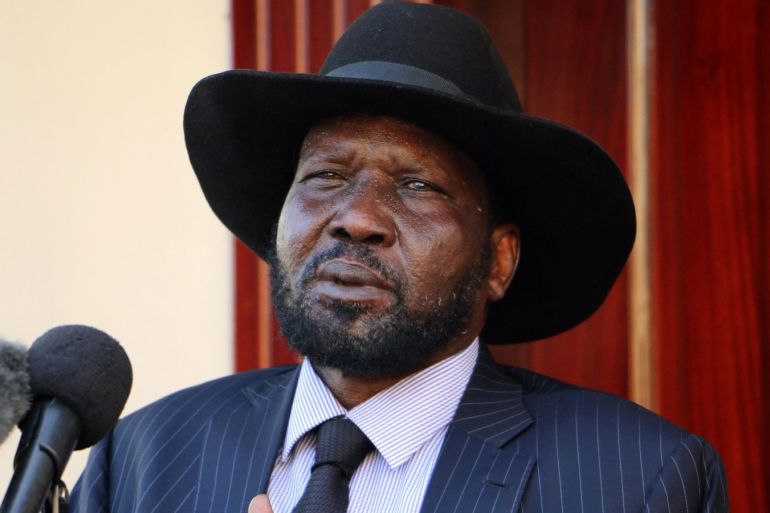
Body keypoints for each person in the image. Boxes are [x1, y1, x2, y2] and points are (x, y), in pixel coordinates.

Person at [70, 3, 728, 513]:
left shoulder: (636, 478)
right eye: (326, 176)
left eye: (416, 185)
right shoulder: (146, 458)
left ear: (499, 260)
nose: (355, 217)